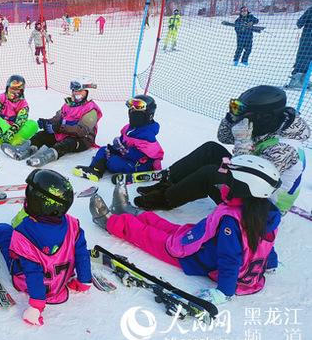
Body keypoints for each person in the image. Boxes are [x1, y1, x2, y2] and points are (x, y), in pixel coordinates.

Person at [89, 155, 282, 305]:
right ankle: (132, 212)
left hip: (194, 257)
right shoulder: (266, 212)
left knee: (149, 236)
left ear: (243, 188)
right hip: (202, 240)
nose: (224, 184)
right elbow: (267, 244)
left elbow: (229, 258)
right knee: (168, 227)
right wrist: (271, 263)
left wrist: (224, 292)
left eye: (229, 181)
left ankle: (109, 222)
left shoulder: (231, 223)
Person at [134, 85, 309, 217]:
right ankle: (166, 182)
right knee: (210, 149)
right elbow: (224, 138)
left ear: (264, 116)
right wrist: (231, 119)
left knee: (210, 174)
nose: (239, 115)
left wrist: (242, 140)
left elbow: (248, 178)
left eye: (242, 111)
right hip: (251, 183)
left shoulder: (285, 148)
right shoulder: (268, 124)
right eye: (236, 108)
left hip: (262, 209)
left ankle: (166, 199)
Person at [0, 169, 92, 326]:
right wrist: (83, 281)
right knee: (23, 228)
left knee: (4, 233)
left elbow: (33, 273)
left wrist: (36, 306)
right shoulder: (74, 225)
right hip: (60, 281)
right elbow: (82, 255)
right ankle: (21, 219)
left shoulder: (23, 235)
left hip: (26, 282)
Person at [11, 78, 103, 167]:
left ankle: (45, 157)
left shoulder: (91, 110)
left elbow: (82, 130)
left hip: (82, 139)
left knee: (65, 143)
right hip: (63, 133)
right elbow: (58, 118)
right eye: (74, 91)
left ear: (89, 93)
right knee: (42, 135)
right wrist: (47, 122)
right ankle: (26, 149)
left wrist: (58, 128)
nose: (75, 93)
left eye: (79, 91)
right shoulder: (69, 104)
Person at [73, 95, 164, 182]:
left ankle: (111, 165)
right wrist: (113, 149)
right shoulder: (129, 128)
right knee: (103, 149)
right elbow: (122, 141)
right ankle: (95, 170)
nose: (132, 111)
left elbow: (139, 155)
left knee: (113, 162)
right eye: (131, 108)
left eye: (137, 108)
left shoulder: (147, 135)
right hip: (126, 156)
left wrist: (124, 151)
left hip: (142, 164)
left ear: (149, 114)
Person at [0, 75, 38, 150]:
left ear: (21, 91)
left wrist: (13, 130)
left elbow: (22, 119)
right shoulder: (2, 97)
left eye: (16, 90)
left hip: (15, 127)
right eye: (11, 89)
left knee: (33, 125)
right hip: (3, 124)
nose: (13, 91)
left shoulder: (23, 104)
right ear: (7, 88)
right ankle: (1, 136)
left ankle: (14, 139)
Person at [286, 5, 312, 89]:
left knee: (309, 59)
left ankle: (304, 79)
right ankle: (296, 79)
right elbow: (300, 23)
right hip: (308, 39)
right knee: (304, 57)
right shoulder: (311, 10)